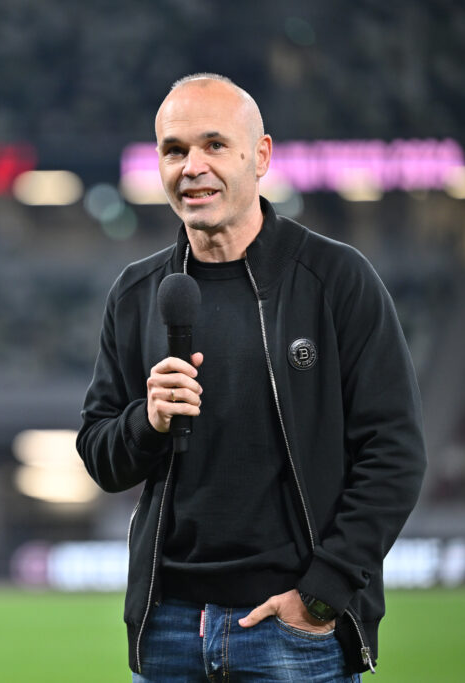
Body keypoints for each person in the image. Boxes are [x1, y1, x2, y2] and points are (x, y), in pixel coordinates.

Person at [76, 73, 426, 682]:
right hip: (169, 630)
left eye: (215, 145)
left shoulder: (335, 279)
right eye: (174, 150)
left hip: (292, 631)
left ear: (260, 156)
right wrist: (147, 421)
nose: (193, 167)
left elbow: (394, 454)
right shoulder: (136, 293)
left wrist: (322, 595)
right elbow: (100, 454)